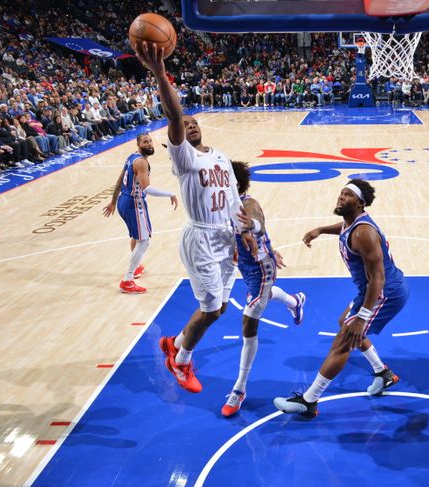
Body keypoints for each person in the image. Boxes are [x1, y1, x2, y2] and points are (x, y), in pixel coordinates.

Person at [133, 40, 256, 394]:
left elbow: (235, 201)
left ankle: (174, 344)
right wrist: (158, 72)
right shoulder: (184, 159)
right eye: (182, 124)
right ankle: (181, 361)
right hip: (200, 238)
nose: (187, 125)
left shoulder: (220, 157)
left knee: (217, 311)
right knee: (209, 308)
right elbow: (174, 114)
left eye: (192, 122)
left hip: (225, 237)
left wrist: (242, 235)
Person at [274, 179, 409, 418]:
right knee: (343, 322)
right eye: (341, 192)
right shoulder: (352, 223)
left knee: (344, 340)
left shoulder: (364, 233)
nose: (341, 197)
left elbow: (377, 278)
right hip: (370, 290)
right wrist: (322, 230)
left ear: (360, 203)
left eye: (348, 195)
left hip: (385, 292)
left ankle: (309, 401)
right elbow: (345, 228)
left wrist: (363, 317)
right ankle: (382, 373)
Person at [221, 160, 307, 417]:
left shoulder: (248, 204)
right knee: (265, 298)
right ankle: (294, 301)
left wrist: (252, 228)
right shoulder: (226, 205)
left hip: (262, 270)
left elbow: (258, 223)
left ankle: (239, 389)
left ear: (233, 183)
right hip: (247, 267)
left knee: (248, 322)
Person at [103, 133, 178, 294]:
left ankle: (135, 268)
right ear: (139, 144)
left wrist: (114, 201)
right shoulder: (142, 163)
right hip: (134, 204)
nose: (150, 144)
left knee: (137, 237)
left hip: (124, 200)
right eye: (145, 142)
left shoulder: (132, 157)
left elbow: (119, 181)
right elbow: (147, 189)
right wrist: (170, 194)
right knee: (144, 242)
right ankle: (127, 280)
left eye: (150, 141)